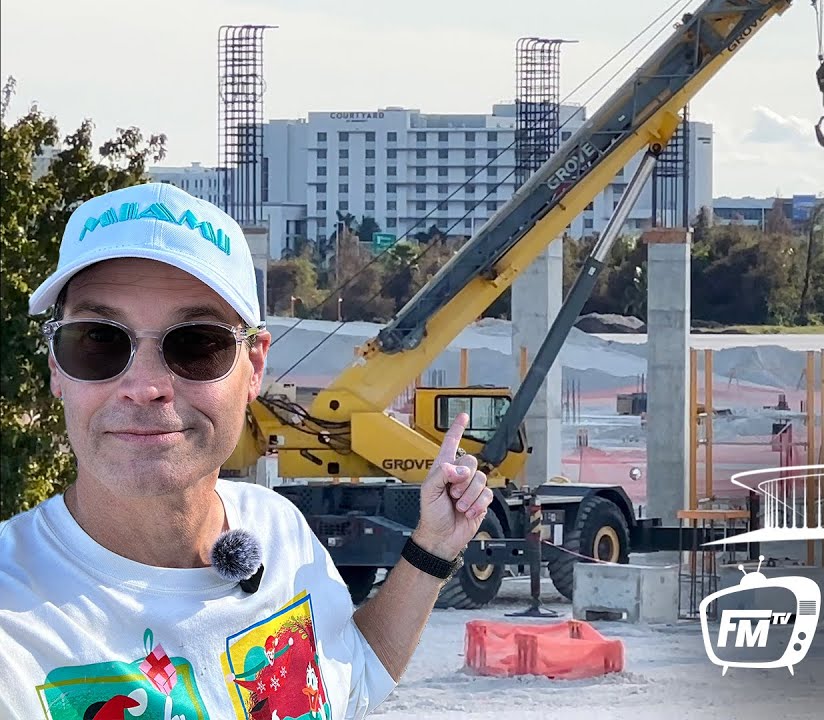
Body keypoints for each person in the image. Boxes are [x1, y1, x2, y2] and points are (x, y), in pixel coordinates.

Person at [0, 182, 494, 720]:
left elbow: (354, 673)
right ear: (56, 366)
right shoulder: (14, 625)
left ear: (254, 366)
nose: (145, 387)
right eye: (99, 340)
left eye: (196, 343)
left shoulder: (278, 530)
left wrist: (431, 548)